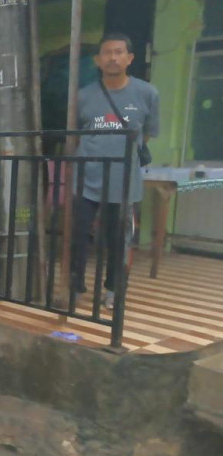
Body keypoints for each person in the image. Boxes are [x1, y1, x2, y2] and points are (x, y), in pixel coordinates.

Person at [71, 33, 160, 309]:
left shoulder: (147, 93)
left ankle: (113, 290)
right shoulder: (84, 96)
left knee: (118, 239)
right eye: (107, 53)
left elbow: (146, 135)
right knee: (77, 235)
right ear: (98, 60)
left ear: (129, 58)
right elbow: (74, 134)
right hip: (86, 179)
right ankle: (74, 287)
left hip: (123, 182)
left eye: (119, 52)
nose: (112, 57)